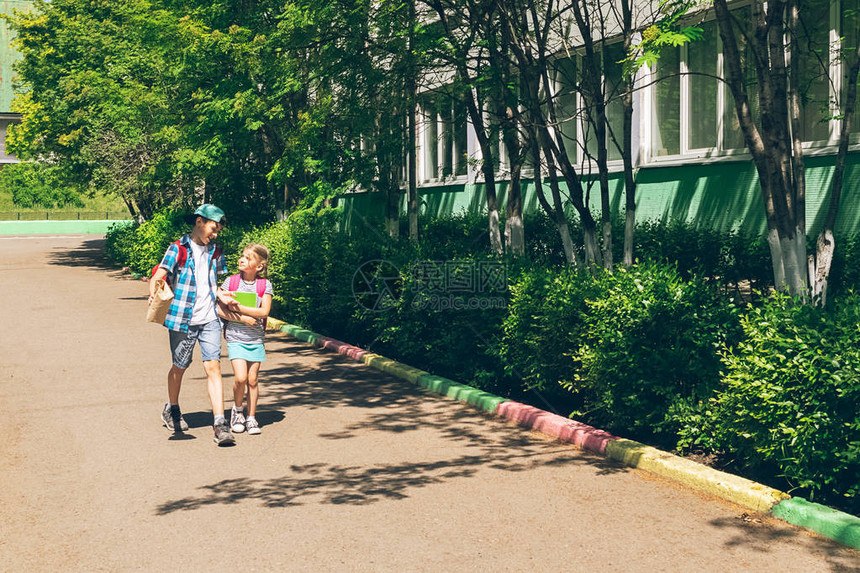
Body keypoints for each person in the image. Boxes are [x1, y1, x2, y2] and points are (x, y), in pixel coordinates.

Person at [148, 204, 238, 446]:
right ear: (199, 222)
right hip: (182, 319)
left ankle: (220, 423)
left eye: (218, 230)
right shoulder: (177, 248)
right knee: (179, 366)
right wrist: (155, 290)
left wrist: (223, 295)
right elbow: (159, 276)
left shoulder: (216, 251)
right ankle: (172, 408)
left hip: (209, 318)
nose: (215, 234)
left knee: (214, 367)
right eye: (213, 228)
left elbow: (214, 282)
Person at [218, 244, 273, 435]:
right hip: (235, 337)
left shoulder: (264, 285)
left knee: (253, 380)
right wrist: (242, 318)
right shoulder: (230, 282)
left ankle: (251, 417)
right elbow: (220, 310)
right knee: (240, 378)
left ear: (259, 266)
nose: (242, 260)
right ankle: (237, 411)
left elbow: (264, 311)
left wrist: (238, 307)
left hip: (256, 339)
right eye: (242, 256)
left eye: (248, 258)